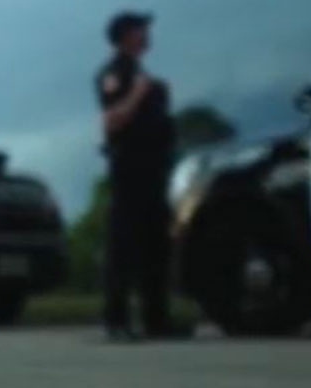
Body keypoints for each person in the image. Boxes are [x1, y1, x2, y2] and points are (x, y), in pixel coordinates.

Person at [96, 11, 184, 342]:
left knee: (155, 246)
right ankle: (116, 320)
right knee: (124, 245)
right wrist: (138, 93)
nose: (147, 35)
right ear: (125, 35)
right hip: (129, 170)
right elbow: (111, 122)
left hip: (154, 169)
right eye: (140, 30)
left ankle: (156, 319)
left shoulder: (141, 74)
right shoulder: (113, 74)